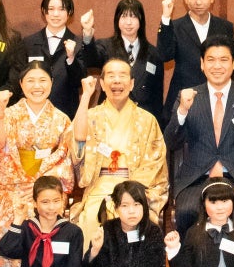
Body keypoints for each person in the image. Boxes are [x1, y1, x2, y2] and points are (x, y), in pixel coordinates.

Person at [0, 62, 73, 267]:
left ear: (52, 83)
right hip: (14, 184)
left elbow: (64, 154)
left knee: (48, 206)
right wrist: (0, 114)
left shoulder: (61, 119)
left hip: (46, 186)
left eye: (42, 80)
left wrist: (40, 184)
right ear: (21, 84)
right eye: (30, 81)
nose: (37, 86)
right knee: (13, 210)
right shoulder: (10, 114)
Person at [163, 36, 234, 231]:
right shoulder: (187, 96)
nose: (217, 66)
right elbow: (171, 142)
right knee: (186, 211)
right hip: (197, 179)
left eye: (224, 60)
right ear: (202, 64)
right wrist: (182, 111)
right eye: (211, 60)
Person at [69, 60, 169, 247]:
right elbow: (78, 143)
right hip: (100, 187)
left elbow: (154, 164)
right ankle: (94, 264)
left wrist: (130, 192)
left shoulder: (147, 120)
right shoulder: (91, 116)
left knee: (128, 213)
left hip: (135, 189)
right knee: (91, 218)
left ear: (131, 84)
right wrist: (86, 96)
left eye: (122, 75)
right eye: (111, 76)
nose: (116, 81)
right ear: (102, 83)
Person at [81, 0, 165, 121]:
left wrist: (157, 123)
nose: (128, 22)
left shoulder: (153, 53)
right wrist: (87, 32)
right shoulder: (105, 46)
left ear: (141, 20)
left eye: (133, 17)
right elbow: (90, 60)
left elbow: (157, 95)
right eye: (124, 17)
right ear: (117, 20)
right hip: (109, 117)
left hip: (142, 120)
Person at [4, 0, 85, 117]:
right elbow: (16, 79)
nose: (56, 14)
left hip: (65, 114)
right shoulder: (28, 43)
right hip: (30, 114)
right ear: (43, 11)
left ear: (69, 12)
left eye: (62, 9)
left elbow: (79, 82)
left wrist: (71, 58)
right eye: (51, 9)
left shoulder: (78, 44)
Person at [156, 0, 224, 106]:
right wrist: (165, 18)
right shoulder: (175, 26)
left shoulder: (225, 26)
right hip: (183, 96)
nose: (198, 2)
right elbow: (164, 56)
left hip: (217, 98)